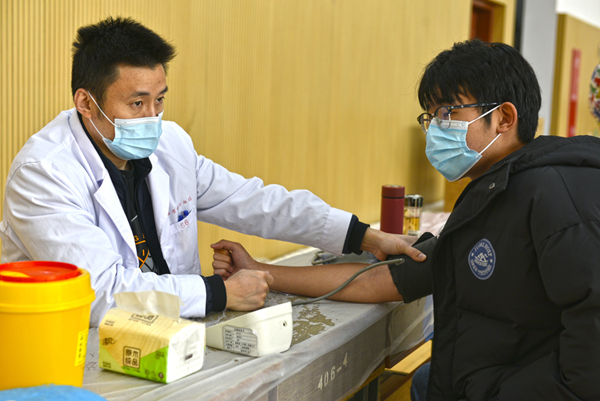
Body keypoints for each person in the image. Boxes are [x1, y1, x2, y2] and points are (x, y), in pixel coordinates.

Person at [212, 40, 600, 401]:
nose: (436, 128)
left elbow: (590, 346)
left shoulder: (555, 194)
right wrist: (262, 271)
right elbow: (387, 280)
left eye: (448, 112)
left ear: (503, 117)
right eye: (430, 116)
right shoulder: (488, 195)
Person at [0, 17, 424, 327]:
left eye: (160, 100)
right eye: (136, 103)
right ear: (86, 103)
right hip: (77, 347)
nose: (152, 117)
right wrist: (218, 292)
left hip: (168, 331)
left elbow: (254, 202)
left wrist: (363, 235)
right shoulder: (45, 173)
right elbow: (98, 292)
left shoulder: (170, 145)